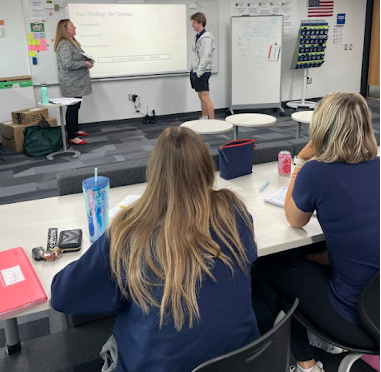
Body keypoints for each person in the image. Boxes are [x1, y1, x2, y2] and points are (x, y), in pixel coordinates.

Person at [51, 127, 260, 372]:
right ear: (206, 168)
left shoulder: (129, 231)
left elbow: (62, 294)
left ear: (154, 173)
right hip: (244, 363)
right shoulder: (234, 212)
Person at [257, 93, 380, 372]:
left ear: (322, 128)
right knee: (311, 257)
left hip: (356, 317)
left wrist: (300, 160)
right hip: (376, 304)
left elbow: (294, 219)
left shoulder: (316, 172)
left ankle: (306, 365)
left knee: (264, 265)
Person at [54, 19, 94, 146]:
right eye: (72, 26)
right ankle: (71, 136)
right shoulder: (65, 44)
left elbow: (74, 58)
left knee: (76, 106)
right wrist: (84, 63)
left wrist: (87, 59)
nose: (75, 27)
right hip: (71, 82)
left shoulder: (72, 42)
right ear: (65, 29)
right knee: (72, 108)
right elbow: (67, 63)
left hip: (77, 81)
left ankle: (75, 130)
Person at [190, 13, 216, 119]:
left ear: (200, 23)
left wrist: (199, 73)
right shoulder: (198, 36)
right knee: (201, 97)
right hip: (196, 70)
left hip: (202, 72)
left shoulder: (206, 38)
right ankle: (204, 118)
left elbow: (205, 57)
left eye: (194, 23)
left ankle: (213, 122)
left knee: (205, 98)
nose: (192, 25)